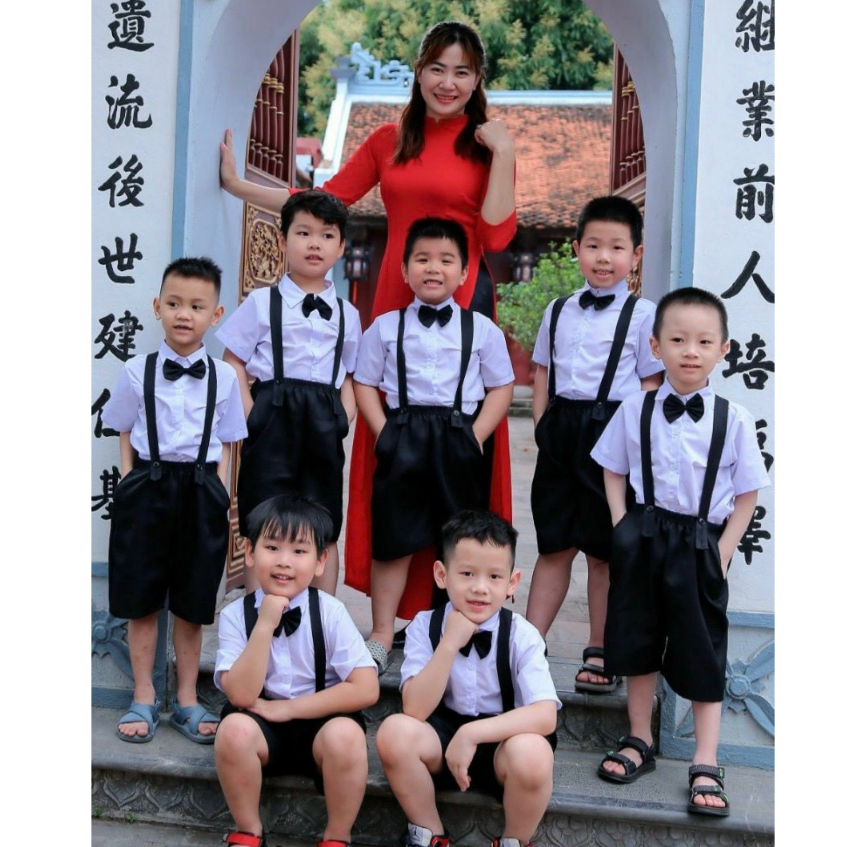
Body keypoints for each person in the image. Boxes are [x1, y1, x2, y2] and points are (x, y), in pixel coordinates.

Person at [219, 20, 517, 620]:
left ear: (478, 79)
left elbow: (496, 235)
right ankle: (388, 617)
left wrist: (505, 154)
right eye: (437, 68)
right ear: (418, 72)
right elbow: (324, 201)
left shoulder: (488, 146)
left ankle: (454, 609)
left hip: (461, 300)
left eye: (462, 72)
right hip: (392, 298)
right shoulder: (388, 139)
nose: (448, 82)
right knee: (392, 462)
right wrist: (237, 185)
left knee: (457, 462)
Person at [590, 287, 770, 817]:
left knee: (701, 647)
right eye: (678, 340)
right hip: (644, 534)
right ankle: (639, 738)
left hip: (699, 543)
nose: (691, 351)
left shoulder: (733, 418)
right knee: (637, 636)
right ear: (656, 346)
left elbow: (747, 493)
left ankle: (706, 760)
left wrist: (723, 550)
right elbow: (612, 467)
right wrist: (622, 524)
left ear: (723, 350)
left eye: (704, 342)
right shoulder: (636, 407)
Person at [353, 217, 514, 671]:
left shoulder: (481, 329)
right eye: (422, 259)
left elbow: (501, 386)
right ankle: (382, 633)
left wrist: (475, 435)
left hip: (458, 437)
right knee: (394, 536)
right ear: (404, 270)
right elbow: (364, 381)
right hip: (403, 434)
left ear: (464, 273)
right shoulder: (385, 327)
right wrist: (384, 431)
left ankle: (457, 626)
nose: (433, 268)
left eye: (446, 260)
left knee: (460, 538)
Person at [102, 257, 248, 743]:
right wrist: (130, 479)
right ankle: (143, 696)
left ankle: (186, 699)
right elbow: (123, 426)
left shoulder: (224, 377)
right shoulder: (136, 370)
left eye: (197, 306)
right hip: (148, 486)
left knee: (192, 599)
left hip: (201, 489)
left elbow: (230, 439)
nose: (184, 314)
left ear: (216, 314)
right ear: (157, 307)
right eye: (174, 303)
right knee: (141, 597)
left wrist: (220, 490)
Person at [525, 196, 664, 692]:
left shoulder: (644, 314)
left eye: (617, 248)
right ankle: (528, 645)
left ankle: (600, 647)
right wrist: (542, 425)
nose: (604, 257)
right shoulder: (559, 309)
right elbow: (542, 371)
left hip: (613, 434)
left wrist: (635, 443)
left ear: (636, 254)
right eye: (594, 246)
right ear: (577, 249)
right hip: (562, 431)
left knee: (603, 551)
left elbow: (650, 382)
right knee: (554, 543)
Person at [376, 510, 559, 847]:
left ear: (512, 583)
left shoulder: (522, 634)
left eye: (494, 576)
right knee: (394, 732)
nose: (480, 588)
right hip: (440, 742)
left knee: (533, 752)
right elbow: (414, 709)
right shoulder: (424, 626)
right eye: (467, 573)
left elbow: (545, 715)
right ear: (441, 574)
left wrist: (472, 734)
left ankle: (514, 841)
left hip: (504, 744)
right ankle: (430, 833)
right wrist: (449, 644)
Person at [215, 190, 361, 595]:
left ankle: (320, 616)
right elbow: (233, 359)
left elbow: (352, 373)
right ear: (282, 240)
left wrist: (343, 416)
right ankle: (257, 614)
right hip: (272, 416)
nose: (315, 244)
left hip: (323, 421)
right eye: (303, 233)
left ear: (341, 247)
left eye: (327, 235)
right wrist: (251, 412)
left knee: (323, 522)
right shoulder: (261, 303)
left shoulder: (348, 313)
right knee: (262, 518)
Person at [213, 495, 380, 847]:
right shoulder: (234, 616)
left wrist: (289, 708)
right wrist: (265, 623)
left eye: (299, 551)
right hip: (260, 724)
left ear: (320, 561)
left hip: (321, 725)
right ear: (250, 551)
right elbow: (240, 694)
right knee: (232, 731)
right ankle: (248, 830)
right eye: (272, 547)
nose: (284, 562)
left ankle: (337, 836)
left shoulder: (331, 612)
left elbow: (366, 688)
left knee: (347, 736)